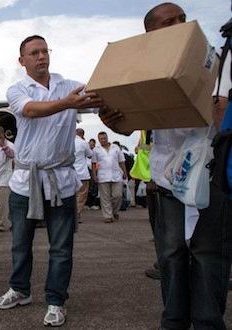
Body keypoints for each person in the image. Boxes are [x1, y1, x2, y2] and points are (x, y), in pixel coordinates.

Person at [99, 3, 232, 328]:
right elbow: (128, 128)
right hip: (168, 178)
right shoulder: (141, 70)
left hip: (209, 176)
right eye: (169, 21)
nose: (180, 24)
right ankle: (173, 320)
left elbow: (223, 111)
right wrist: (113, 120)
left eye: (183, 19)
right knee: (170, 255)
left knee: (209, 256)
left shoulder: (215, 61)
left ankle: (208, 322)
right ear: (151, 33)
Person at [0, 35, 102, 327]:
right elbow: (30, 110)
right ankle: (20, 289)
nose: (41, 57)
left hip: (61, 181)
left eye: (44, 51)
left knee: (61, 246)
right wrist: (68, 104)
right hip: (24, 181)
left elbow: (100, 102)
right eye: (34, 53)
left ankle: (56, 300)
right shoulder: (17, 90)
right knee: (20, 242)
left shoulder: (71, 86)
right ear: (22, 61)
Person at [91, 132, 127, 223]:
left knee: (118, 195)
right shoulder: (96, 150)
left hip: (116, 174)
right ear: (98, 140)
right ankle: (108, 216)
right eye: (101, 139)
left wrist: (125, 172)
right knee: (105, 197)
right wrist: (94, 175)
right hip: (103, 176)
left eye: (104, 138)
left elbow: (121, 161)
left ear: (107, 138)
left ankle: (114, 211)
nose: (103, 140)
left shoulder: (116, 147)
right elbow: (94, 163)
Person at [73, 128, 92, 222]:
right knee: (81, 195)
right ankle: (77, 214)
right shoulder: (83, 143)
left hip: (70, 173)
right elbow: (90, 155)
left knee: (71, 195)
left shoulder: (67, 141)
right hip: (82, 174)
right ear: (82, 134)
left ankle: (70, 215)